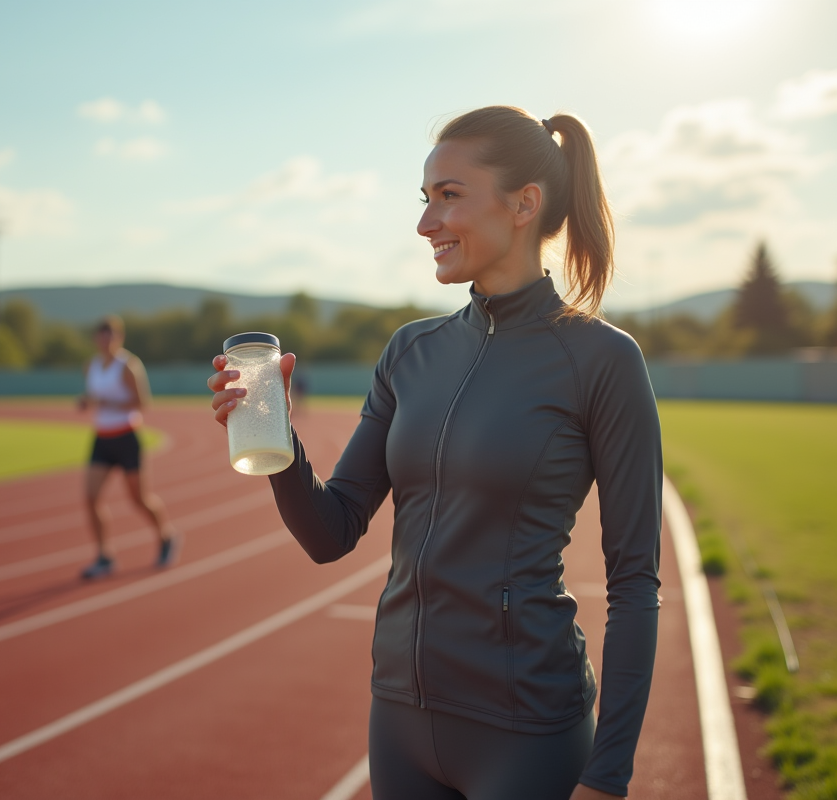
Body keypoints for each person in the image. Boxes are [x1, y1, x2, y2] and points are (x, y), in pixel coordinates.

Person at [209, 106, 661, 799]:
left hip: (528, 731)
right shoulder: (410, 351)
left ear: (524, 204)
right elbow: (331, 533)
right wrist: (274, 438)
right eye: (425, 200)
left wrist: (608, 775)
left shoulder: (601, 360)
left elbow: (634, 582)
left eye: (449, 196)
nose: (426, 224)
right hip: (398, 719)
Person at [79, 315, 181, 579]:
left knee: (138, 498)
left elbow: (142, 402)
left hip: (126, 436)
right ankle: (104, 556)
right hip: (102, 438)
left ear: (118, 338)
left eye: (111, 335)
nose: (106, 340)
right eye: (101, 335)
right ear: (96, 339)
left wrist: (108, 404)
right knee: (90, 497)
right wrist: (86, 402)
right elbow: (93, 397)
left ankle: (166, 536)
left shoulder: (128, 365)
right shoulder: (91, 365)